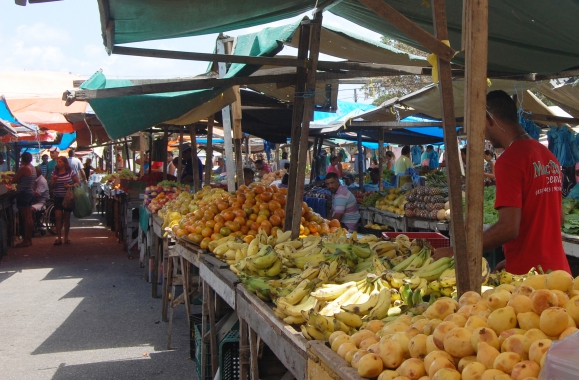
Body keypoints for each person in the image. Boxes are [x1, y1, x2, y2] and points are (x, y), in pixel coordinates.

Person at [433, 90, 571, 274]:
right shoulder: (549, 157)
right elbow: (558, 218)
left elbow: (508, 228)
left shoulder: (510, 160)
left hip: (532, 280)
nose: (483, 135)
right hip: (558, 271)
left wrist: (457, 252)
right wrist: (516, 257)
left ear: (488, 118)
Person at [51, 156, 80, 245]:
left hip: (68, 198)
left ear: (65, 163)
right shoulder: (54, 173)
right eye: (57, 162)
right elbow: (52, 186)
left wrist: (69, 186)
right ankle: (59, 238)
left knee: (66, 218)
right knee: (58, 217)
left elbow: (78, 183)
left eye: (60, 162)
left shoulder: (71, 173)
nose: (58, 163)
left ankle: (66, 237)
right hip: (58, 197)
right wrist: (54, 180)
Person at [10, 152, 36, 247]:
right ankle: (29, 239)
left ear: (22, 159)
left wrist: (15, 178)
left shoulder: (24, 168)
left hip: (23, 194)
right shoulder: (32, 168)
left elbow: (14, 180)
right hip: (29, 193)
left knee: (25, 218)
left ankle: (26, 240)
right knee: (29, 217)